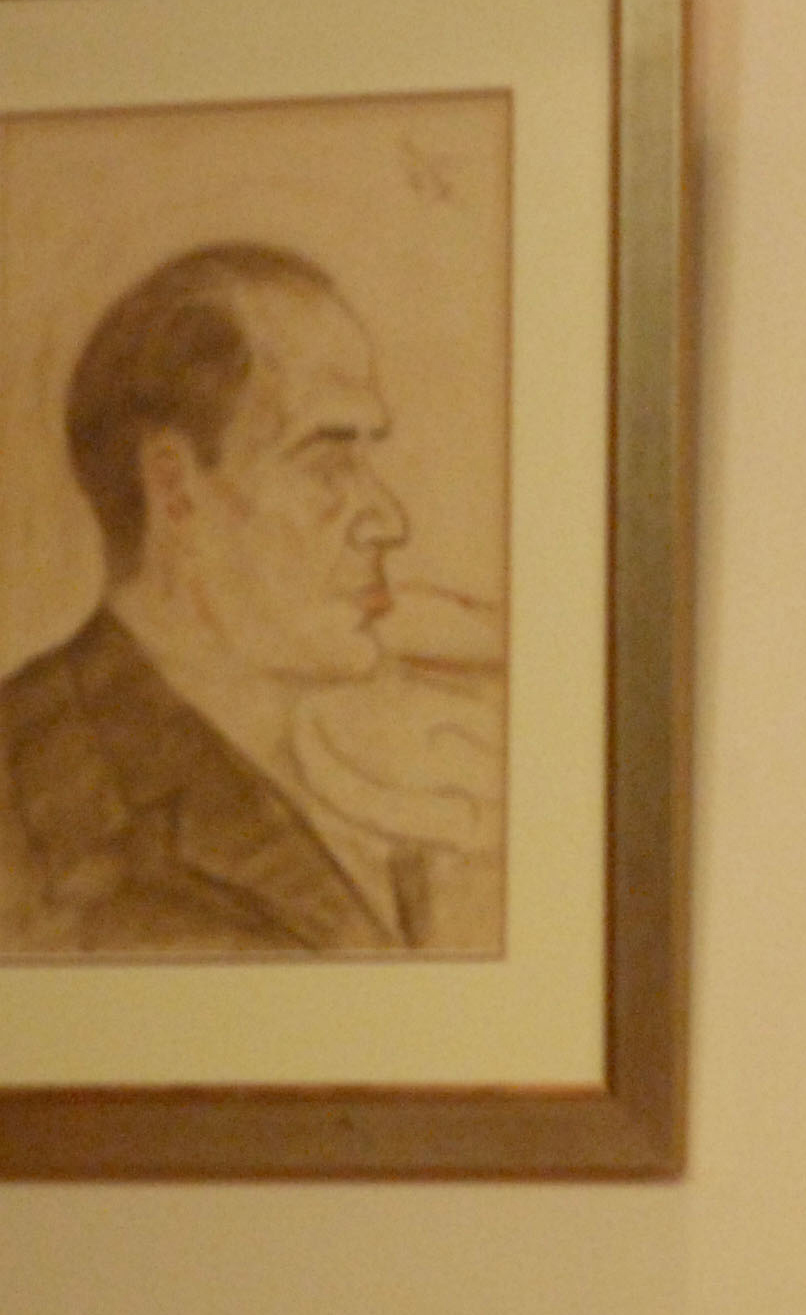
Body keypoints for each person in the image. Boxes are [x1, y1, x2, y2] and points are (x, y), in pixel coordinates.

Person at [0, 242, 498, 955]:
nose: (389, 520)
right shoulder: (40, 794)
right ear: (174, 488)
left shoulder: (385, 778)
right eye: (327, 461)